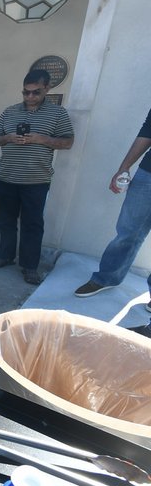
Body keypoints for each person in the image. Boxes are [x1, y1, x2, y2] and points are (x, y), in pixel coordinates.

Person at [0, 69, 74, 285]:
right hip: (6, 177)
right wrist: (7, 137)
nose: (30, 97)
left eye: (36, 93)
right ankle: (5, 256)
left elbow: (68, 142)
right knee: (6, 221)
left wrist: (41, 139)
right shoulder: (10, 112)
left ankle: (30, 266)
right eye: (26, 93)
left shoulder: (58, 114)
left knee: (32, 224)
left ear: (47, 88)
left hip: (36, 180)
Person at [73, 108, 151, 337]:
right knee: (128, 231)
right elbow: (146, 133)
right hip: (148, 174)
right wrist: (124, 167)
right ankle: (107, 278)